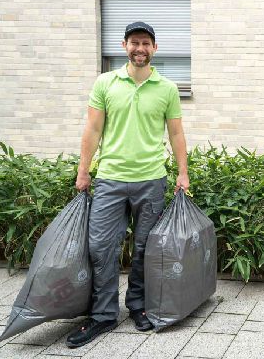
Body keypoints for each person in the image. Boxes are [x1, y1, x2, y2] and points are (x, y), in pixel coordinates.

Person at [67, 21, 190, 348]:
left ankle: (138, 305)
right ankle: (104, 314)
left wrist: (183, 172)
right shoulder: (105, 83)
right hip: (110, 179)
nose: (140, 48)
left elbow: (176, 133)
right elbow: (93, 130)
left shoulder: (167, 88)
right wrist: (83, 171)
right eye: (134, 42)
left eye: (146, 43)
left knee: (146, 249)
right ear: (124, 46)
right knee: (100, 247)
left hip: (151, 180)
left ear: (155, 49)